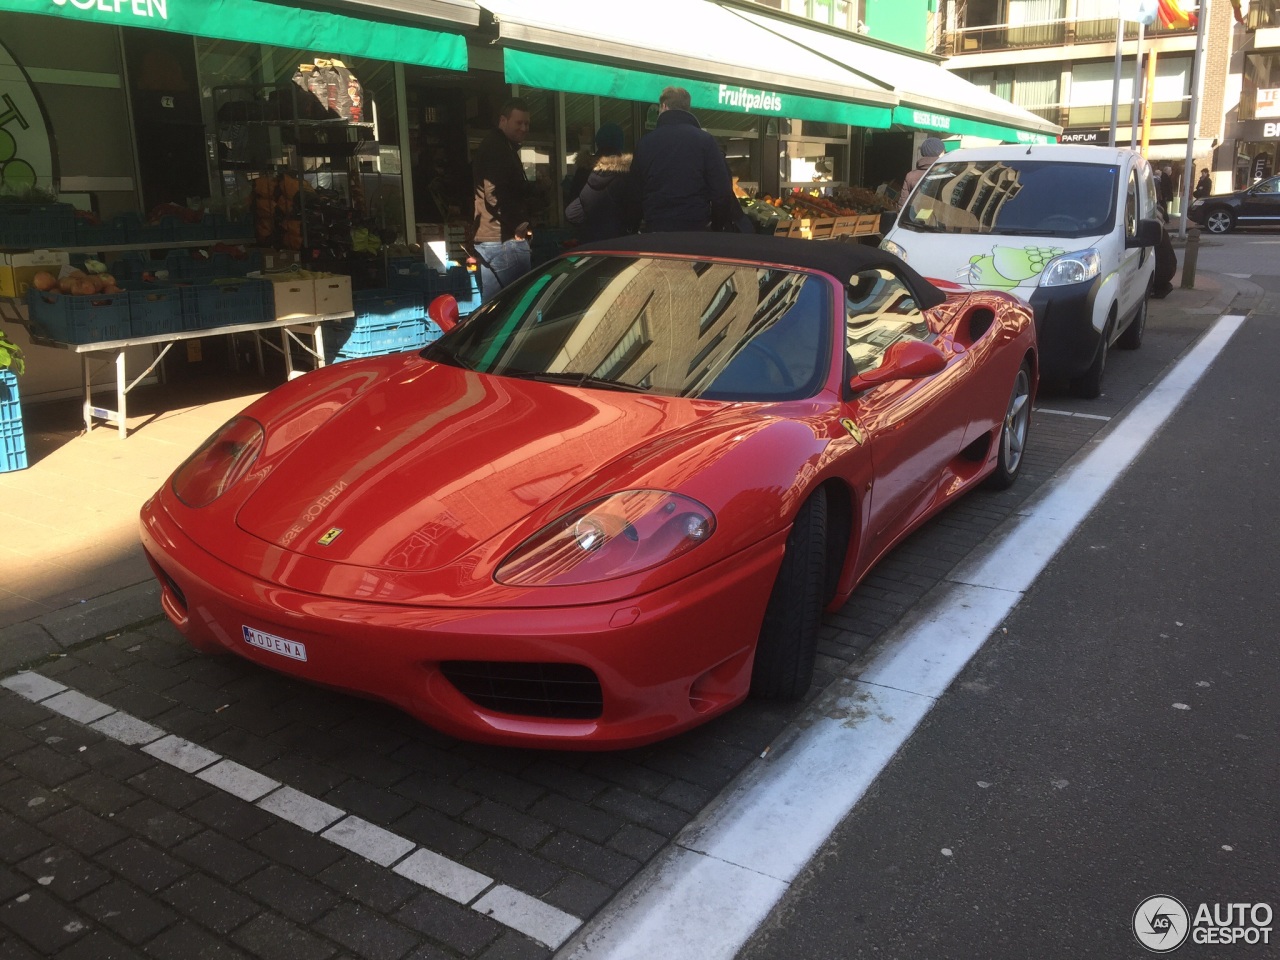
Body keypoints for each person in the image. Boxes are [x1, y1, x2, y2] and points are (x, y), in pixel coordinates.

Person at [628, 86, 740, 232]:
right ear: (687, 108)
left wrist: (634, 226)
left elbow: (635, 193)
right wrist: (716, 226)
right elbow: (722, 192)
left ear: (664, 106)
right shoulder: (705, 141)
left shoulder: (645, 143)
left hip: (657, 227)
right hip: (696, 228)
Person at [472, 97, 540, 301]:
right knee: (518, 308)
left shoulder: (501, 146)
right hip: (504, 240)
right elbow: (495, 193)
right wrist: (519, 222)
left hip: (490, 238)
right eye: (519, 122)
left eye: (527, 123)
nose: (524, 128)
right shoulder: (497, 148)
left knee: (494, 310)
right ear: (503, 121)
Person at [565, 123, 632, 243]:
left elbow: (572, 207)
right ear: (620, 145)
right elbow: (632, 209)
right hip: (619, 239)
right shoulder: (625, 173)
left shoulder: (583, 170)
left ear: (597, 143)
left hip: (587, 238)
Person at [899, 137, 945, 208]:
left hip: (914, 217)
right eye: (943, 151)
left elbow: (902, 205)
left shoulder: (911, 175)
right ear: (940, 153)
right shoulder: (946, 173)